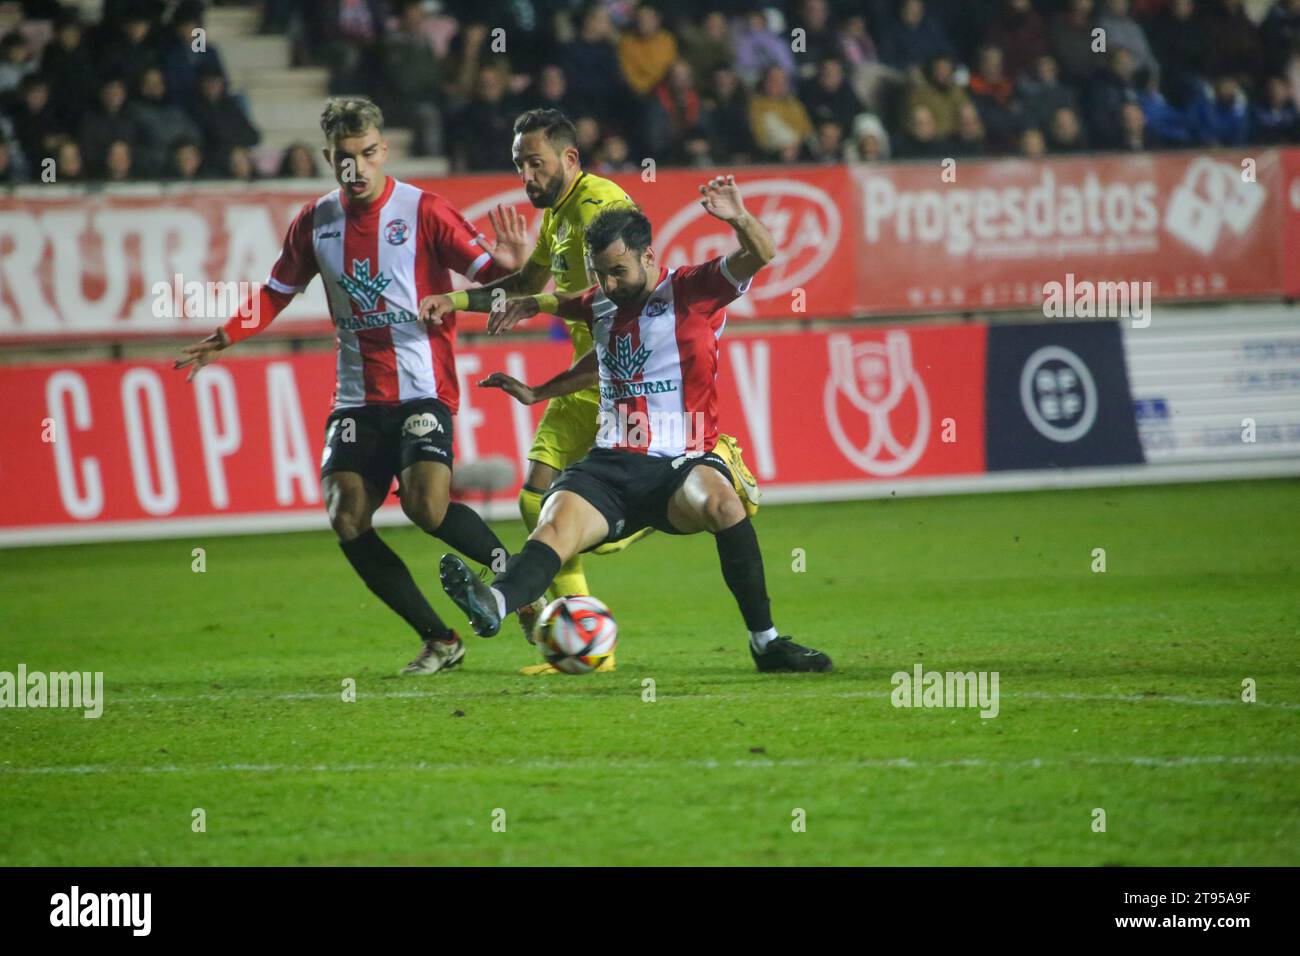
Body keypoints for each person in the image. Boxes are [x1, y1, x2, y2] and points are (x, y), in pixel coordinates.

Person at [174, 97, 528, 675]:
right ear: (328, 158)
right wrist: (225, 335)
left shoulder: (425, 211)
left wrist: (511, 268)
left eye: (366, 154)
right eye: (344, 158)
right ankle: (440, 639)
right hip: (356, 397)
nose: (356, 168)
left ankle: (516, 579)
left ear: (383, 150)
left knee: (425, 506)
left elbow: (498, 289)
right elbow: (276, 291)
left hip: (421, 388)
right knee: (345, 515)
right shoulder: (316, 222)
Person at [436, 180, 833, 674]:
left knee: (723, 502)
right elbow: (596, 352)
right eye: (601, 275)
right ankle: (494, 604)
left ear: (649, 257)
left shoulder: (694, 288)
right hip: (611, 466)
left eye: (618, 272)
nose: (610, 285)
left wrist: (738, 218)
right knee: (552, 521)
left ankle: (766, 642)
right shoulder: (600, 302)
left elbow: (762, 253)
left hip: (680, 464)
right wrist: (539, 386)